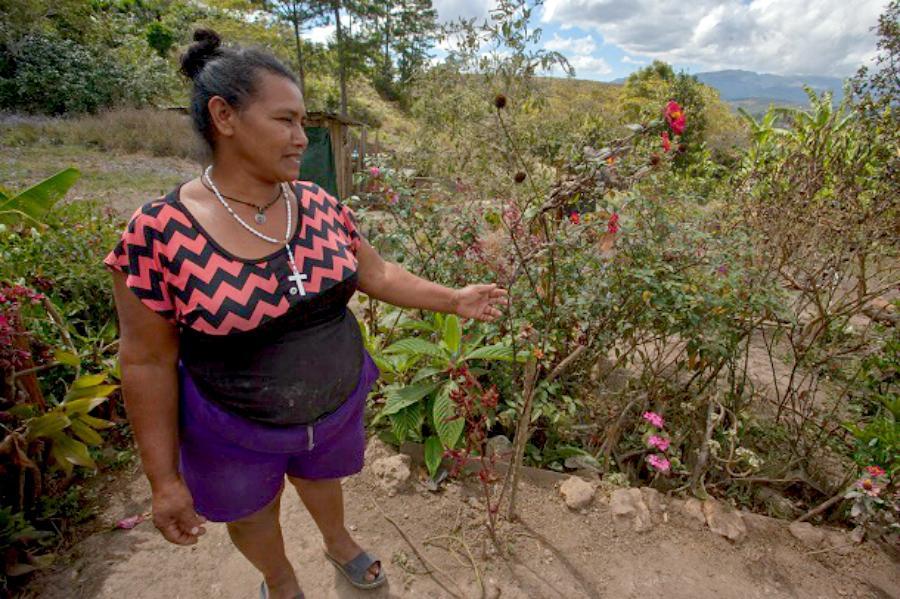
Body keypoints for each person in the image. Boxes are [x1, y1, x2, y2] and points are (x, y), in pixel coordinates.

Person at [105, 29, 508, 599]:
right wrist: (164, 479)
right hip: (232, 426)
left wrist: (455, 298)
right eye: (285, 121)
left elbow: (377, 273)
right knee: (252, 511)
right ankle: (282, 578)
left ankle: (338, 542)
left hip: (333, 405)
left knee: (323, 479)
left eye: (302, 123)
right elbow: (144, 360)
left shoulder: (318, 205)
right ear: (224, 116)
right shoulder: (157, 233)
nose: (301, 137)